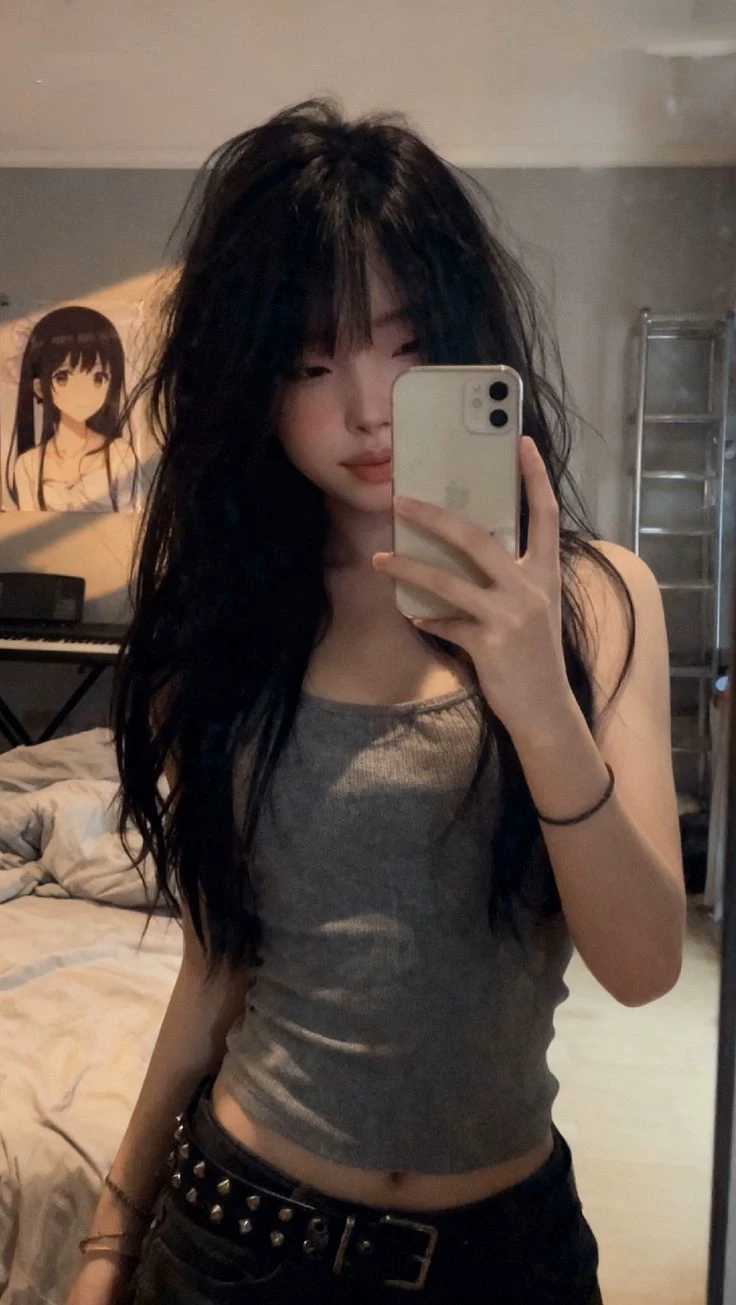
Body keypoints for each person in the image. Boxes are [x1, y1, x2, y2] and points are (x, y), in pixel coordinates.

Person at [67, 99, 686, 1305]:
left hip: (508, 1258)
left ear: (469, 347)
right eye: (309, 363)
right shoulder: (230, 627)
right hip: (236, 1241)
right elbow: (217, 967)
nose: (364, 409)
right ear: (251, 383)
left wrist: (536, 701)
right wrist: (107, 1240)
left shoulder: (599, 601)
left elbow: (645, 964)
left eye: (405, 349)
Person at [6, 305, 139, 512]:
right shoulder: (28, 465)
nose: (82, 392)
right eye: (63, 377)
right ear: (40, 388)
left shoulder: (120, 455)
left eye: (98, 377)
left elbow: (129, 523)